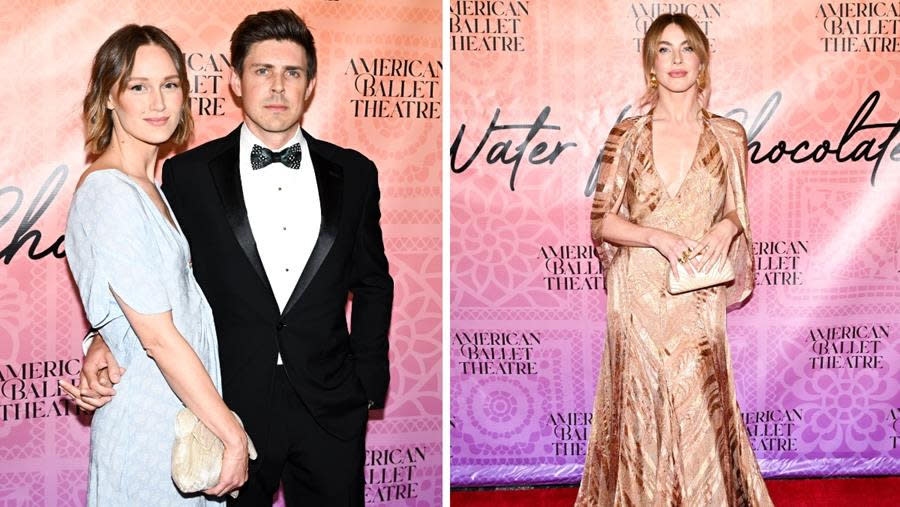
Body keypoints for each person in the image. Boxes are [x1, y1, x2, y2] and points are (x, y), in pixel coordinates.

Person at [72, 9, 394, 506]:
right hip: (227, 400)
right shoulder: (185, 176)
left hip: (330, 405)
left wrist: (367, 385)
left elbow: (373, 282)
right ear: (235, 82)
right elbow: (144, 284)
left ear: (310, 85)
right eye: (262, 71)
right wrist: (106, 338)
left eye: (292, 73)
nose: (278, 87)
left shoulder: (354, 173)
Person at [575, 13, 773, 506]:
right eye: (664, 49)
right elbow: (602, 222)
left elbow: (736, 210)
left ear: (703, 60)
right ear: (650, 64)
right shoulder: (628, 136)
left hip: (698, 290)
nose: (677, 59)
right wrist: (656, 236)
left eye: (687, 48)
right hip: (638, 291)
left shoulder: (729, 136)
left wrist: (727, 227)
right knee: (640, 408)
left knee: (702, 405)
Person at [60, 25, 250, 505]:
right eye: (138, 87)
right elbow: (159, 338)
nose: (158, 102)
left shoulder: (151, 188)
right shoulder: (110, 194)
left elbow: (143, 301)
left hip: (182, 423)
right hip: (149, 430)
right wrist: (232, 434)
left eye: (169, 84)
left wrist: (101, 338)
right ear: (108, 96)